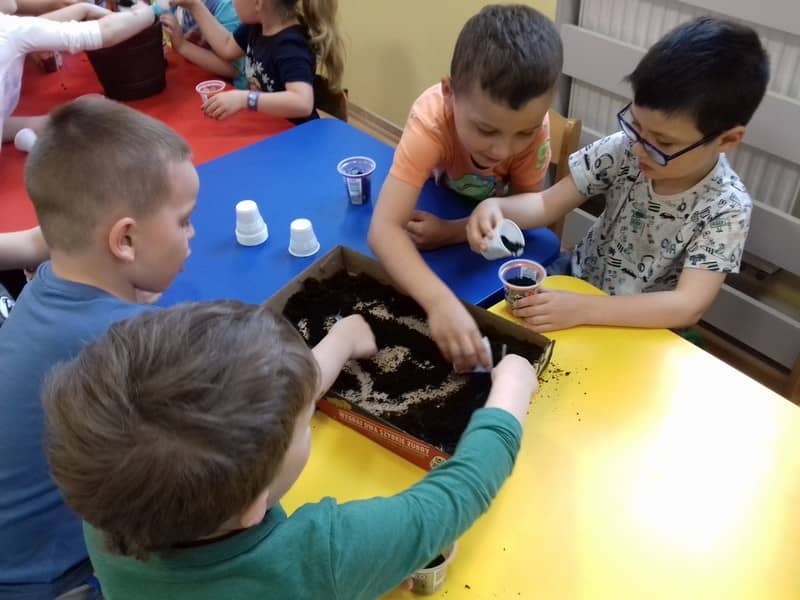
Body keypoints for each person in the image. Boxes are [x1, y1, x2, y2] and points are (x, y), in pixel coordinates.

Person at [43, 300, 538, 599]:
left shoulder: (111, 505)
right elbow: (459, 492)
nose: (307, 413)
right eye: (304, 424)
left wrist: (340, 340)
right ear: (253, 507)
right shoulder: (322, 557)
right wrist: (511, 390)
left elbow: (259, 404)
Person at [0, 96, 197, 598]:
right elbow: (262, 416)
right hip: (54, 583)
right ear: (124, 240)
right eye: (183, 220)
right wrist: (341, 340)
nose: (191, 234)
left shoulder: (45, 285)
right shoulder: (134, 342)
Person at [467, 17, 769, 333]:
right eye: (636, 125)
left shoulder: (727, 208)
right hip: (576, 280)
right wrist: (497, 208)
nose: (638, 148)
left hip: (639, 323)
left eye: (663, 143)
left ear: (727, 140)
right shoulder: (625, 148)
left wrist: (584, 309)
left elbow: (687, 306)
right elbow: (548, 204)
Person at [368, 4, 562, 371]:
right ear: (449, 93)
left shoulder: (535, 132)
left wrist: (452, 232)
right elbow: (383, 230)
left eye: (524, 132)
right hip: (435, 199)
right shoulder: (431, 121)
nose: (502, 150)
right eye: (486, 130)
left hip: (480, 237)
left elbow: (528, 210)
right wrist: (439, 303)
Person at [0, 0, 157, 149]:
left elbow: (35, 26)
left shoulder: (9, 27)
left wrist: (52, 122)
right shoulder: (10, 31)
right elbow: (107, 32)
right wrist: (153, 10)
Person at [169, 0, 343, 123]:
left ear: (258, 3)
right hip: (268, 126)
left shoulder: (290, 45)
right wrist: (194, 6)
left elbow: (302, 103)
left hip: (295, 136)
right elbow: (226, 47)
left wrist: (244, 99)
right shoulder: (256, 27)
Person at [158, 0, 247, 89]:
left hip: (230, 89)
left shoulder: (226, 8)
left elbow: (234, 69)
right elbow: (153, 12)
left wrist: (183, 46)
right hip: (196, 75)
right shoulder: (182, 5)